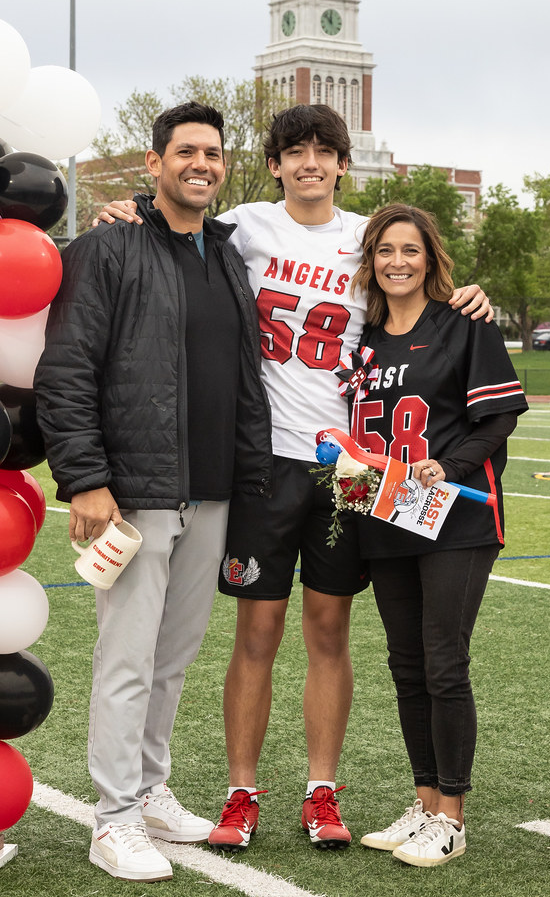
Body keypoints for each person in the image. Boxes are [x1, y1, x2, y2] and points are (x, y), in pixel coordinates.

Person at [96, 104, 492, 853]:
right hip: (262, 458)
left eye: (324, 151)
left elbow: (417, 286)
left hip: (346, 467)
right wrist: (121, 207)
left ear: (344, 164)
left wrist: (465, 295)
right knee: (256, 631)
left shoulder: (368, 236)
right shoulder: (242, 224)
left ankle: (320, 790)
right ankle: (241, 791)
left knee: (328, 630)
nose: (309, 162)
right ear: (274, 163)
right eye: (294, 151)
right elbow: (169, 222)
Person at [34, 102, 272, 882]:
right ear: (153, 161)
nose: (200, 164)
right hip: (133, 489)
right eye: (185, 153)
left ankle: (148, 787)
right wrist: (86, 479)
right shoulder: (107, 247)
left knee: (172, 659)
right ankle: (112, 819)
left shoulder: (227, 257)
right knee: (127, 659)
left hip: (210, 490)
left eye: (212, 153)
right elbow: (66, 369)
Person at [346, 203, 527, 866]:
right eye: (385, 250)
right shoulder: (359, 336)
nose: (397, 261)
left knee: (443, 661)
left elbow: (497, 421)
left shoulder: (463, 322)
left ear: (430, 259)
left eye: (410, 250)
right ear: (370, 261)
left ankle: (451, 813)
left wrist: (445, 466)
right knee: (405, 665)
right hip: (385, 512)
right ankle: (423, 802)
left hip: (455, 516)